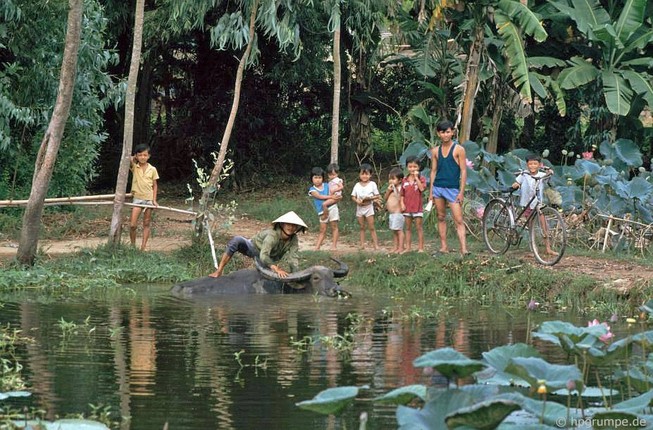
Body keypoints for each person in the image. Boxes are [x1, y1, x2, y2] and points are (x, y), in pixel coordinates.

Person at [208, 211, 307, 278]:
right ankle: (219, 270)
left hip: (270, 258)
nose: (291, 227)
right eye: (288, 224)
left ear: (297, 228)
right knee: (236, 240)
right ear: (282, 224)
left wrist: (296, 274)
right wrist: (276, 268)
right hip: (254, 248)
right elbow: (263, 255)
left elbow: (293, 257)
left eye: (294, 225)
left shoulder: (294, 239)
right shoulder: (272, 235)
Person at [428, 120, 469, 255]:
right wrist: (431, 192)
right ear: (438, 134)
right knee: (441, 216)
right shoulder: (435, 151)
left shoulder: (459, 149)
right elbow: (433, 171)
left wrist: (461, 192)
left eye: (447, 132)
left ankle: (464, 249)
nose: (445, 135)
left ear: (452, 132)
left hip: (452, 189)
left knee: (458, 219)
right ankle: (444, 246)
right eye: (442, 132)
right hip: (438, 187)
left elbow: (463, 171)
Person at [512, 153, 557, 255]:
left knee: (543, 225)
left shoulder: (541, 175)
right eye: (530, 164)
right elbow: (517, 182)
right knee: (531, 225)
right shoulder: (524, 174)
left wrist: (549, 171)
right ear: (527, 165)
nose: (532, 166)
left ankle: (548, 248)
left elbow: (549, 175)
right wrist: (516, 184)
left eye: (535, 164)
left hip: (538, 203)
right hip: (527, 203)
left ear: (539, 165)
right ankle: (533, 248)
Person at [130, 144, 159, 250]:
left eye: (145, 155)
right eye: (140, 155)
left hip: (148, 199)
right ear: (136, 156)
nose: (142, 157)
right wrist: (134, 158)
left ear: (149, 156)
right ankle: (133, 246)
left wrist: (154, 200)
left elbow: (155, 185)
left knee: (146, 223)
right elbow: (129, 158)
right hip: (137, 199)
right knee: (133, 225)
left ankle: (143, 247)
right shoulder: (134, 166)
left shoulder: (152, 169)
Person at [308, 167, 341, 250]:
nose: (318, 180)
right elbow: (319, 196)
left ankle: (334, 246)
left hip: (332, 207)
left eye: (320, 177)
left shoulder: (327, 185)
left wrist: (337, 195)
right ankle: (317, 247)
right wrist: (331, 196)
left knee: (334, 226)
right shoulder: (312, 190)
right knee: (322, 229)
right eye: (315, 177)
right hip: (322, 211)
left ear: (323, 178)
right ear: (311, 178)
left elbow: (334, 192)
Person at [351, 163, 380, 250]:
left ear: (370, 175)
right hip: (360, 207)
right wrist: (357, 201)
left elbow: (377, 195)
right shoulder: (357, 185)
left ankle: (375, 245)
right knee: (362, 227)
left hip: (369, 207)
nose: (364, 176)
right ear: (359, 175)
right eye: (362, 174)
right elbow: (353, 196)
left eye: (366, 174)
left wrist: (369, 198)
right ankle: (362, 244)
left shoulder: (372, 184)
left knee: (371, 227)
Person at [401, 156, 426, 252]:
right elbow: (402, 194)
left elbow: (422, 189)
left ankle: (420, 248)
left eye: (415, 167)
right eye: (410, 167)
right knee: (407, 228)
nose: (412, 169)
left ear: (418, 167)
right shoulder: (404, 180)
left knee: (419, 228)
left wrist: (416, 178)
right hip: (407, 208)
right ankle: (408, 248)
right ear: (407, 167)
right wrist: (402, 204)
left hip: (417, 208)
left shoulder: (422, 178)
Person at [385, 167, 405, 254]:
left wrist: (395, 189)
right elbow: (385, 198)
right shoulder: (390, 188)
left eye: (393, 179)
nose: (391, 181)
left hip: (398, 213)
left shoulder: (400, 188)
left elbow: (399, 197)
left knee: (399, 230)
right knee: (394, 230)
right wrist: (388, 191)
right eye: (390, 179)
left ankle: (401, 247)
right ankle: (395, 247)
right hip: (392, 213)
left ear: (400, 180)